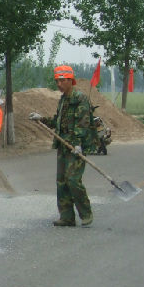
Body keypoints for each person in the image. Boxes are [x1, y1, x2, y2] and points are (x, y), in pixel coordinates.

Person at [29, 65, 94, 227]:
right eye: (57, 81)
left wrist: (78, 144)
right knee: (62, 181)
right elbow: (57, 121)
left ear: (71, 81)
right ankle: (66, 216)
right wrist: (41, 119)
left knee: (73, 180)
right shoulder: (63, 99)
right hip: (63, 144)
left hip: (75, 146)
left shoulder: (80, 98)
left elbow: (83, 122)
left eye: (62, 81)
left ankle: (86, 213)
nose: (59, 84)